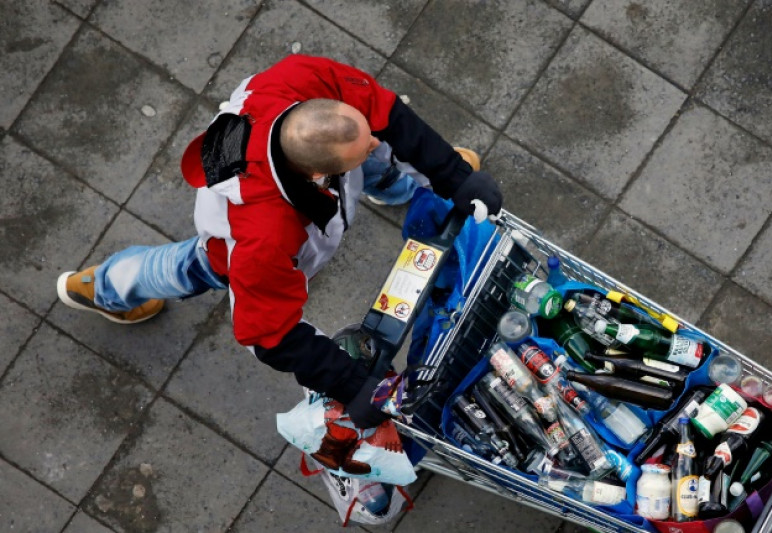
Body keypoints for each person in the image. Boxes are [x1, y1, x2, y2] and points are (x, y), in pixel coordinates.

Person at [55, 55, 502, 429]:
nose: (373, 139)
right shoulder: (264, 240)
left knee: (380, 151)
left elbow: (386, 115)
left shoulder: (305, 82)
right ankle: (104, 286)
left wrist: (452, 176)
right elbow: (268, 333)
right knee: (189, 269)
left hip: (312, 172)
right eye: (359, 153)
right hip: (231, 243)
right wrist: (351, 386)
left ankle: (396, 184)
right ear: (318, 177)